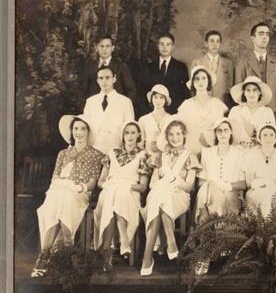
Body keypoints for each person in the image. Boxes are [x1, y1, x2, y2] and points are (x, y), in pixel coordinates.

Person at [32, 115, 104, 277]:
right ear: (71, 131)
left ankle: (45, 257)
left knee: (63, 200)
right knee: (57, 201)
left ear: (88, 131)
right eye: (76, 128)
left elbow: (92, 183)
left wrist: (78, 187)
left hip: (80, 192)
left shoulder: (96, 155)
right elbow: (55, 177)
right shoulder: (63, 153)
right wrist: (63, 185)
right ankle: (66, 247)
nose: (79, 132)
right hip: (60, 190)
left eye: (83, 128)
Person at [140, 120, 200, 276]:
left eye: (178, 133)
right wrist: (164, 183)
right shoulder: (160, 156)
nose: (175, 138)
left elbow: (188, 187)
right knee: (160, 195)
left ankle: (147, 257)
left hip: (180, 196)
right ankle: (170, 242)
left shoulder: (190, 156)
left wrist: (174, 183)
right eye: (171, 134)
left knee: (160, 197)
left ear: (184, 135)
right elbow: (152, 184)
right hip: (160, 193)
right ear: (166, 136)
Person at [94, 121, 150, 267]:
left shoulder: (143, 155)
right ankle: (124, 241)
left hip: (130, 193)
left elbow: (143, 187)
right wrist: (110, 185)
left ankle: (107, 251)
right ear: (122, 135)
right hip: (109, 191)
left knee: (118, 194)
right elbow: (100, 182)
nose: (130, 136)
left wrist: (125, 185)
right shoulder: (111, 153)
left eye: (133, 132)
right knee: (113, 194)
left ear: (139, 135)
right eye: (126, 132)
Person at [195, 118, 246, 221]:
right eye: (219, 130)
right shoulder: (207, 153)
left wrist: (227, 186)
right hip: (209, 194)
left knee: (223, 197)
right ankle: (214, 228)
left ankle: (216, 227)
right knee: (213, 193)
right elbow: (201, 182)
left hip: (232, 194)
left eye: (226, 130)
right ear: (215, 133)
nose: (223, 134)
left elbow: (244, 184)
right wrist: (214, 186)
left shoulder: (239, 153)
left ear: (231, 132)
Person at [242, 124, 276, 216]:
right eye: (264, 135)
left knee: (274, 198)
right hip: (256, 191)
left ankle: (274, 229)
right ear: (259, 139)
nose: (268, 138)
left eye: (271, 135)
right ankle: (262, 229)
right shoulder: (251, 155)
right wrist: (261, 184)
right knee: (263, 197)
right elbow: (249, 183)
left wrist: (268, 182)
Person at [83, 65, 135, 155]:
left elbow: (129, 128)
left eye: (107, 78)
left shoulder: (125, 102)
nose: (104, 81)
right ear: (97, 81)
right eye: (101, 78)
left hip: (116, 151)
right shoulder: (90, 102)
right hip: (94, 151)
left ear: (114, 79)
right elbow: (85, 128)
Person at [176, 65, 227, 155]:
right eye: (197, 79)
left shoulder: (217, 104)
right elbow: (181, 130)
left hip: (212, 150)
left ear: (208, 81)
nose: (200, 82)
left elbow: (220, 129)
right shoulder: (186, 105)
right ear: (192, 82)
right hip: (190, 150)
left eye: (204, 78)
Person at [235, 22, 276, 111]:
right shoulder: (243, 62)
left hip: (272, 109)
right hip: (250, 109)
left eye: (267, 34)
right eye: (261, 34)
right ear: (253, 38)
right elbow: (239, 89)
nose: (265, 37)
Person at [79, 35, 137, 108]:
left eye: (107, 46)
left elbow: (131, 90)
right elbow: (82, 90)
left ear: (112, 48)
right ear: (96, 48)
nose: (104, 49)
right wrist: (86, 106)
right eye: (102, 46)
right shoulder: (89, 66)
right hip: (95, 108)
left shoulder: (121, 66)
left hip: (115, 107)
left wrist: (123, 106)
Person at [146, 32, 189, 113]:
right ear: (157, 46)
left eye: (168, 44)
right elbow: (145, 90)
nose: (164, 47)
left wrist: (171, 110)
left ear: (173, 47)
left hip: (174, 111)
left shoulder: (181, 67)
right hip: (153, 111)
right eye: (161, 44)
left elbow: (185, 93)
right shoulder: (149, 67)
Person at [191, 30, 235, 107]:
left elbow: (230, 86)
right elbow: (193, 88)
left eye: (217, 41)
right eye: (212, 41)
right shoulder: (197, 63)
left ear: (220, 44)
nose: (215, 44)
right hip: (202, 105)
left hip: (223, 105)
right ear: (206, 44)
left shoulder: (228, 63)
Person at [228, 76, 276, 147]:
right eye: (248, 90)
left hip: (260, 152)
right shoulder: (235, 111)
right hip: (239, 152)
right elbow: (229, 135)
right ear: (244, 93)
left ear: (260, 92)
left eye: (254, 90)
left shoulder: (267, 112)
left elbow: (272, 138)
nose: (251, 93)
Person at [138, 84, 175, 156]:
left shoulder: (171, 119)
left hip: (166, 157)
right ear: (151, 99)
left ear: (165, 100)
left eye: (161, 98)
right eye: (155, 97)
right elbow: (140, 144)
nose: (158, 100)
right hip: (148, 158)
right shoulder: (143, 120)